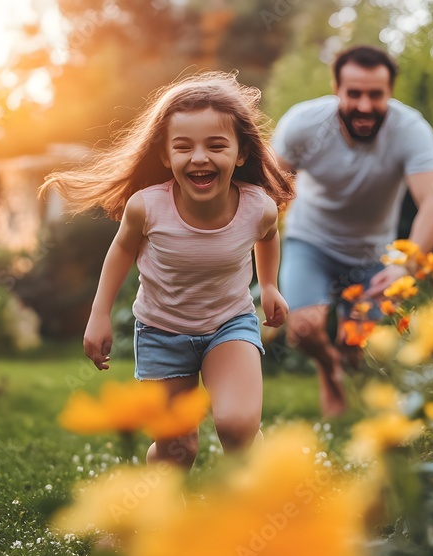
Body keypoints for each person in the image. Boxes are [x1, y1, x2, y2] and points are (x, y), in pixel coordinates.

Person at [44, 72, 294, 469]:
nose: (199, 158)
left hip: (230, 324)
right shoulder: (147, 207)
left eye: (216, 145)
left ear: (241, 153)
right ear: (165, 155)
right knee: (178, 448)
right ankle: (162, 499)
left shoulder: (256, 207)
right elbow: (121, 250)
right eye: (183, 147)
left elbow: (268, 236)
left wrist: (269, 285)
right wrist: (99, 313)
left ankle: (255, 487)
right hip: (161, 332)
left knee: (238, 427)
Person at [271, 45, 433, 417]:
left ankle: (347, 370)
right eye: (354, 93)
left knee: (357, 345)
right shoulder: (303, 123)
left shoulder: (411, 130)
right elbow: (269, 191)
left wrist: (405, 264)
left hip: (374, 254)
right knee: (304, 329)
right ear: (336, 89)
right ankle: (328, 369)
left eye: (375, 95)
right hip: (310, 242)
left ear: (390, 93)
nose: (365, 105)